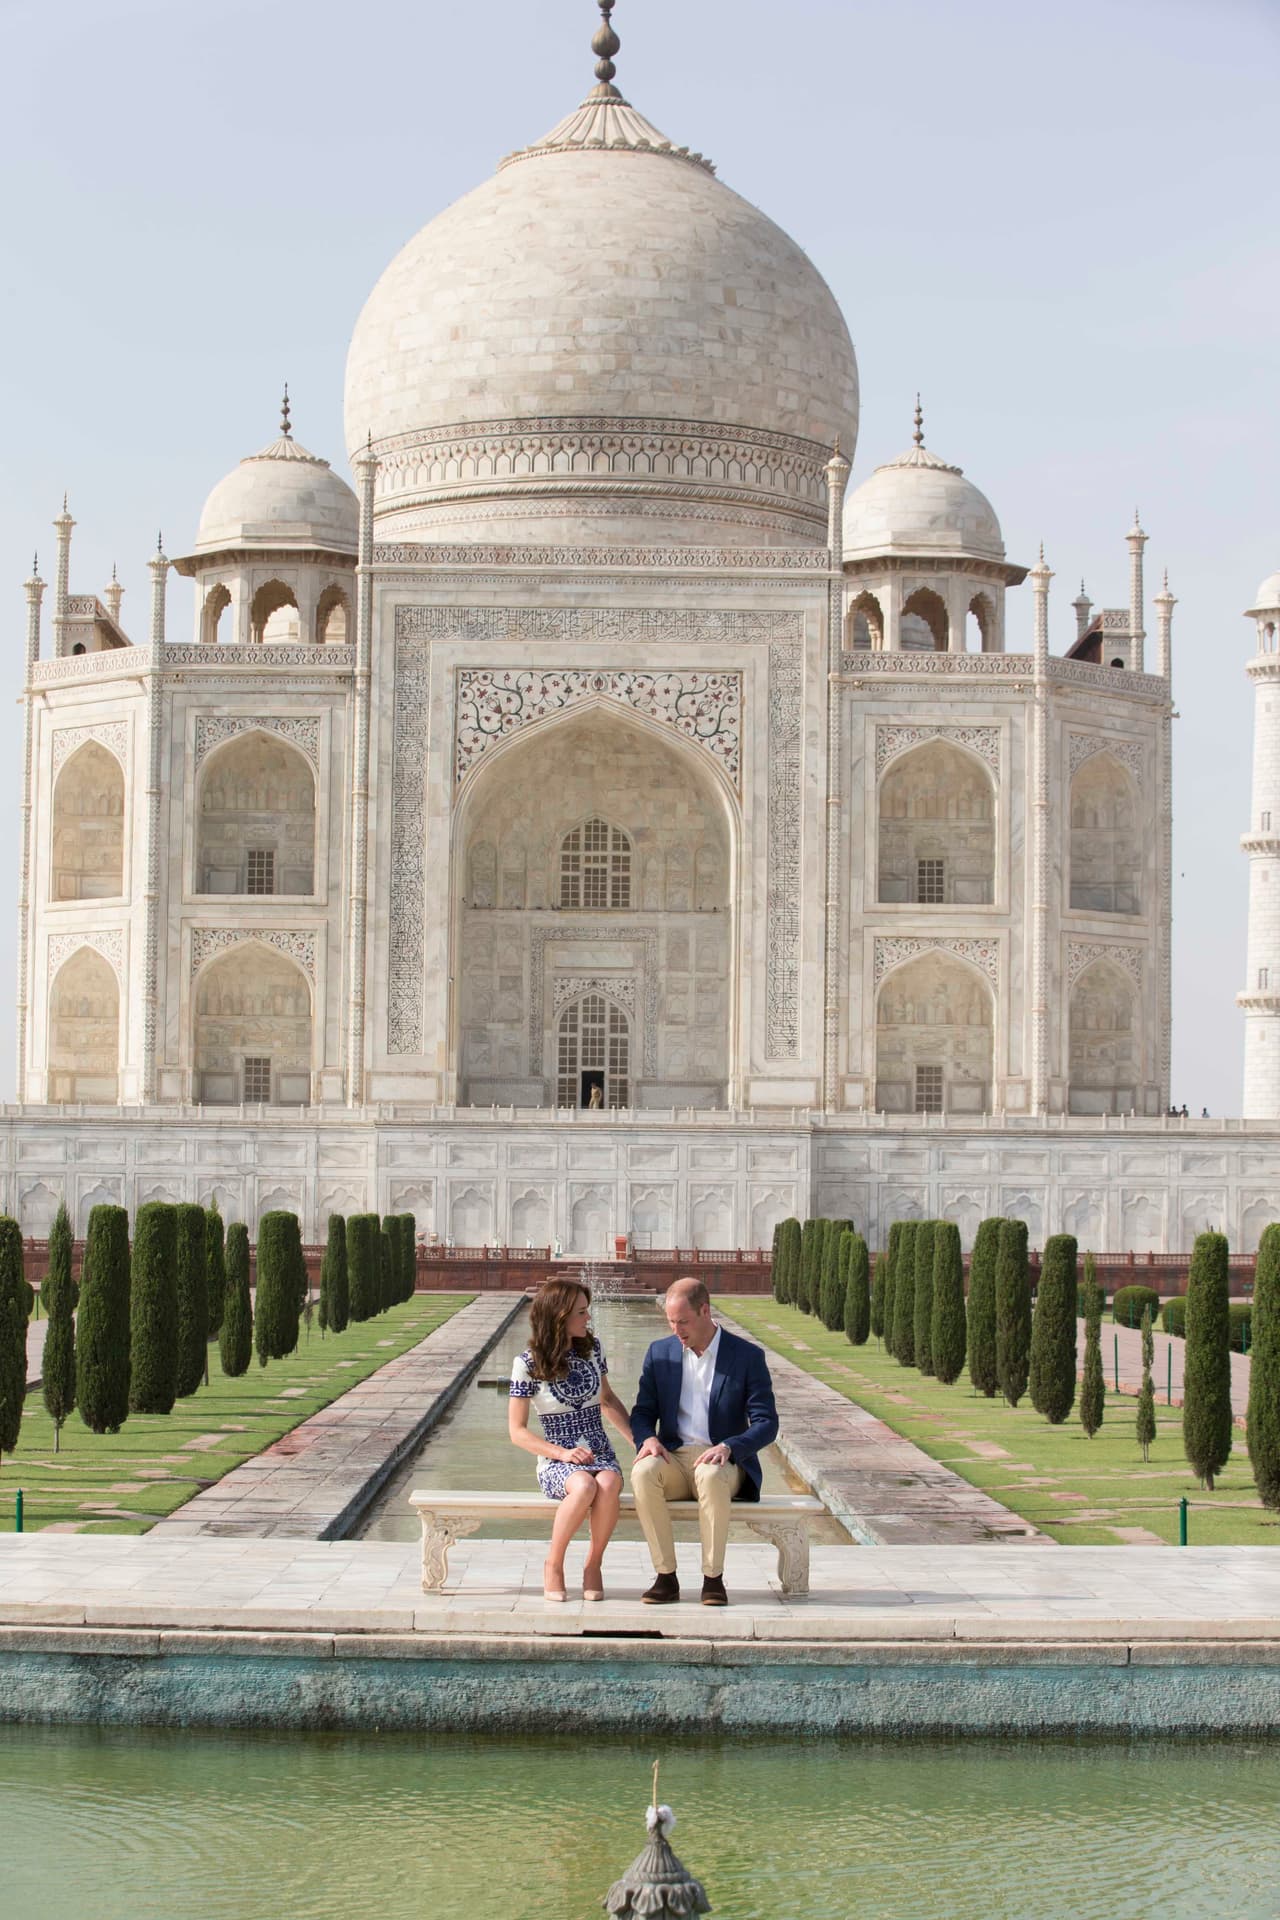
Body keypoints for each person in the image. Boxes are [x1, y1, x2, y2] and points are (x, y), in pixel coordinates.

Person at [630, 1277, 779, 1608]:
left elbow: (767, 1424)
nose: (676, 1330)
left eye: (683, 1321)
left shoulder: (746, 1356)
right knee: (642, 1473)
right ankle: (665, 1577)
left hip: (724, 1462)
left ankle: (713, 1579)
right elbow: (641, 1413)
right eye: (671, 1321)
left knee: (711, 1475)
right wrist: (648, 1439)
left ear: (705, 1311)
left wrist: (730, 1447)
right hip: (675, 1459)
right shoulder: (660, 1353)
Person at [508, 1278, 633, 1603]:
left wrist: (640, 1441)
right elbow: (517, 1431)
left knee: (606, 1484)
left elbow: (607, 1400)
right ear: (559, 1316)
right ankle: (554, 1564)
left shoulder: (593, 1350)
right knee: (584, 1486)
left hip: (599, 1453)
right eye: (581, 1312)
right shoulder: (526, 1365)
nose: (587, 1318)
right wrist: (562, 1454)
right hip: (556, 1459)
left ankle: (593, 1564)